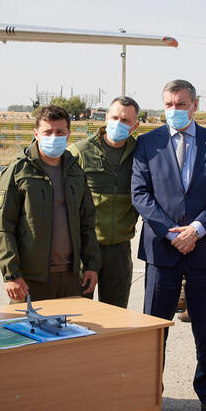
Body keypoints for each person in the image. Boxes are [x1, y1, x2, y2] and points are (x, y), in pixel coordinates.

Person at [0, 104, 100, 411]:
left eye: (61, 132)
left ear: (70, 134)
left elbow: (87, 224)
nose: (55, 137)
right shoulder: (18, 171)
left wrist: (92, 265)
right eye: (48, 132)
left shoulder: (74, 171)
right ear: (36, 133)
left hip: (69, 277)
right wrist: (11, 272)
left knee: (66, 351)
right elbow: (3, 227)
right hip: (31, 279)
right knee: (25, 353)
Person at [131, 79, 206, 411]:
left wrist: (197, 229)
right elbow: (140, 194)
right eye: (169, 104)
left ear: (195, 105)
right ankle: (148, 394)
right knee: (153, 328)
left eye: (181, 104)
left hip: (203, 248)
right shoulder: (148, 143)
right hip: (163, 249)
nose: (175, 110)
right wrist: (171, 232)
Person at [69, 96, 141, 308]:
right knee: (78, 314)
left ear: (135, 125)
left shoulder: (140, 154)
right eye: (114, 117)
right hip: (85, 248)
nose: (118, 123)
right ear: (106, 118)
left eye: (126, 120)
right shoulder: (80, 151)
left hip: (119, 250)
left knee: (115, 313)